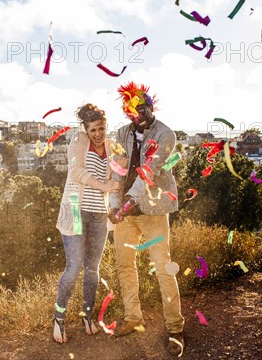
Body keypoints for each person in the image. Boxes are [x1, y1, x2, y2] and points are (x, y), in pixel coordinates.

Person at [108, 81, 185, 357]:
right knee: (125, 265)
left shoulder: (166, 134)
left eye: (142, 107)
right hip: (126, 213)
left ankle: (175, 328)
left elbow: (150, 170)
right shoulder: (120, 134)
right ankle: (133, 317)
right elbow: (117, 170)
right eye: (132, 109)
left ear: (151, 106)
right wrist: (115, 203)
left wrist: (130, 200)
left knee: (163, 268)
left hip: (153, 209)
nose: (138, 113)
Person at [53, 104, 121, 344]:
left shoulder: (112, 146)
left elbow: (115, 178)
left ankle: (88, 316)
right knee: (73, 267)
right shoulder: (78, 140)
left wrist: (114, 203)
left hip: (99, 214)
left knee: (92, 269)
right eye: (92, 130)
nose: (97, 134)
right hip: (75, 209)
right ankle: (58, 319)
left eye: (100, 128)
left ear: (106, 126)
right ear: (86, 129)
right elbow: (77, 172)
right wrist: (104, 186)